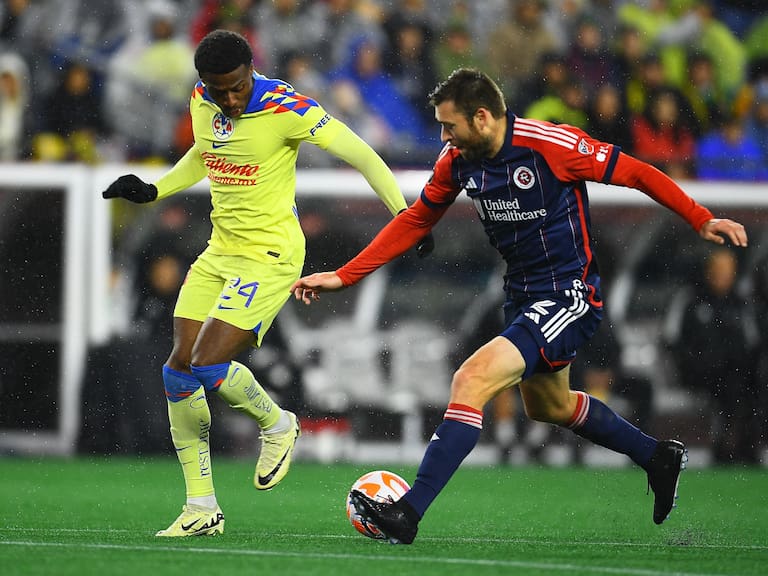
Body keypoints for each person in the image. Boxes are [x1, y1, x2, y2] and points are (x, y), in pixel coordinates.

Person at [290, 68, 748, 544]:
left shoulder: (551, 145)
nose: (443, 137)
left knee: (471, 378)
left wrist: (699, 218)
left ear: (482, 117)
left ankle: (407, 513)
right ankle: (657, 456)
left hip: (568, 293)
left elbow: (637, 172)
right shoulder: (458, 160)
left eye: (450, 126)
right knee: (549, 405)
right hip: (522, 295)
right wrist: (345, 275)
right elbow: (416, 220)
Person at [100, 29, 429, 538]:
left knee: (208, 362)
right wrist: (154, 187)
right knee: (179, 371)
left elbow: (361, 152)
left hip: (271, 255)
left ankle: (278, 423)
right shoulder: (201, 99)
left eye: (235, 88)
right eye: (216, 90)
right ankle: (201, 507)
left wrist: (405, 217)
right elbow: (205, 155)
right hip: (219, 252)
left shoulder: (287, 106)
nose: (227, 99)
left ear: (251, 70)